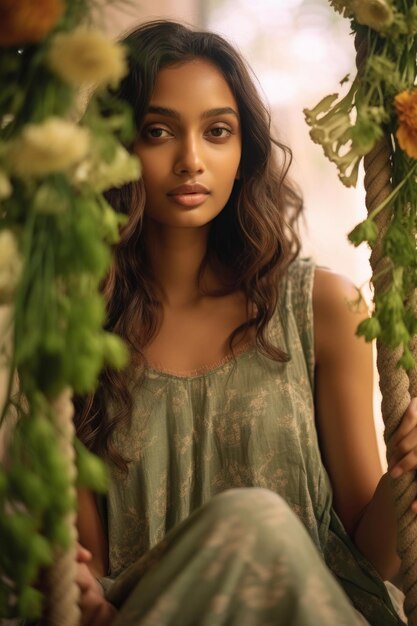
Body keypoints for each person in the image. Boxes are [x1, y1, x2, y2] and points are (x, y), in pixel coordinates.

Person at [73, 19, 415, 626]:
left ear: (243, 150)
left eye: (217, 132)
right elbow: (92, 584)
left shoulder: (321, 310)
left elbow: (371, 557)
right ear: (116, 148)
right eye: (158, 131)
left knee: (257, 521)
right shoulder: (79, 336)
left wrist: (409, 478)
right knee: (249, 519)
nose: (191, 160)